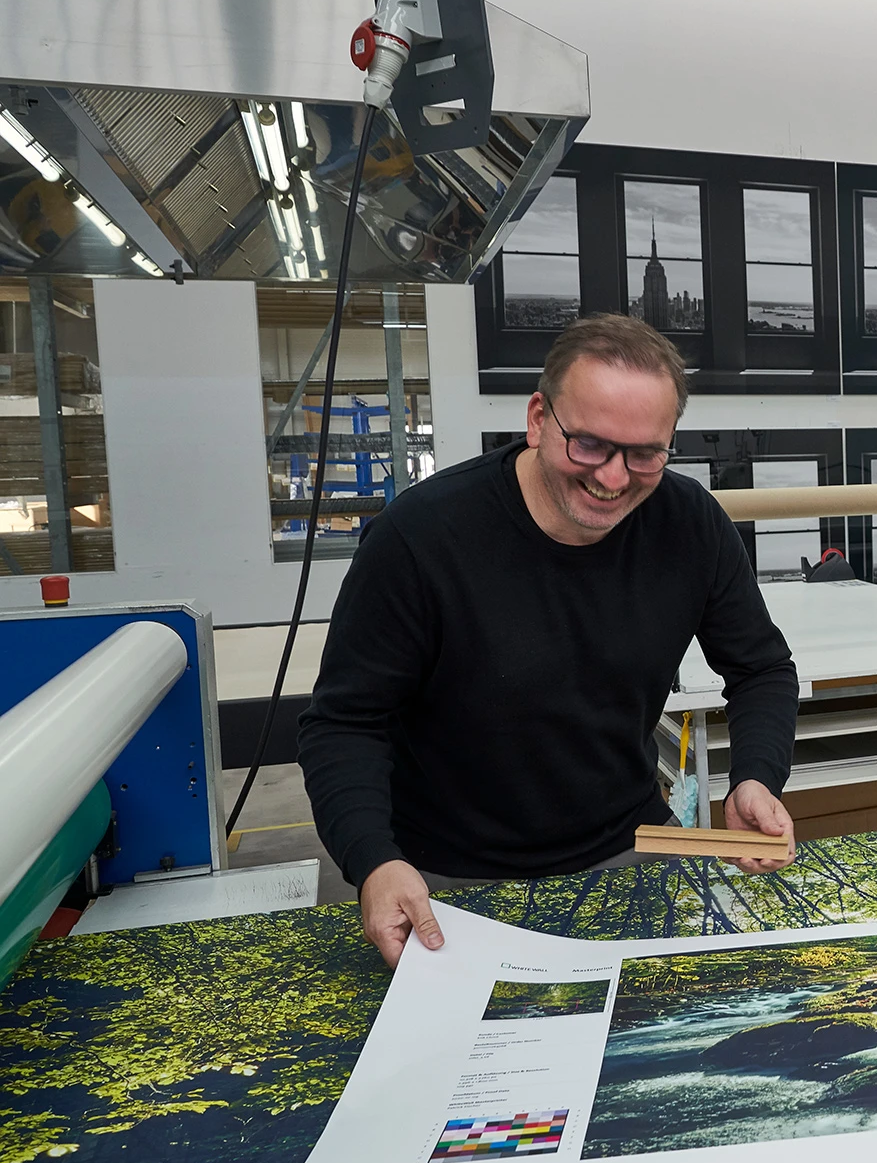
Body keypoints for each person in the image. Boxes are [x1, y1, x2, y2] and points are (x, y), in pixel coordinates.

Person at [301, 315, 799, 968]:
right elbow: (343, 722)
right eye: (590, 444)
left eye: (645, 453)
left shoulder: (689, 524)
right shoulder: (420, 539)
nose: (615, 479)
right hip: (445, 878)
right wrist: (374, 862)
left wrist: (756, 777)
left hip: (631, 843)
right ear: (539, 418)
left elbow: (761, 667)